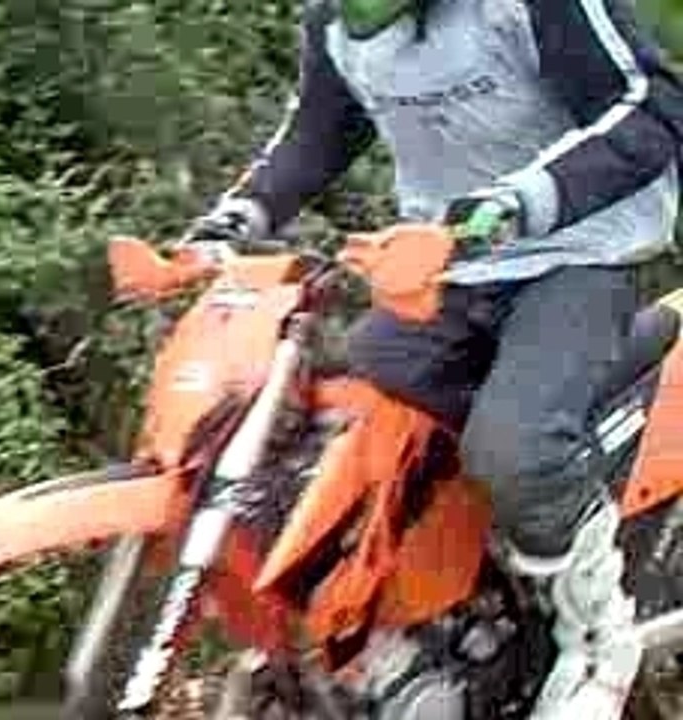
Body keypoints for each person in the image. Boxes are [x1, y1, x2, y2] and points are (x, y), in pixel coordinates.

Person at [186, 0, 683, 717]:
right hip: (448, 267)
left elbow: (652, 108)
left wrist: (514, 205)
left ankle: (602, 643)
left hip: (581, 253)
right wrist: (241, 215)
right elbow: (321, 130)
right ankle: (428, 622)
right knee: (353, 418)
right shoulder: (338, 22)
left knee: (515, 449)